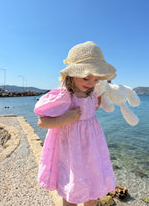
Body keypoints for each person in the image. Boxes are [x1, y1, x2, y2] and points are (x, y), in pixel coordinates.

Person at [34, 41, 117, 206]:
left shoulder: (92, 93)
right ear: (71, 74)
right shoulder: (64, 96)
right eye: (86, 78)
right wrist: (63, 119)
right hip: (71, 151)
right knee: (70, 187)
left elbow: (92, 109)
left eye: (96, 79)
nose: (91, 83)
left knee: (92, 186)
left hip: (92, 149)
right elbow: (42, 122)